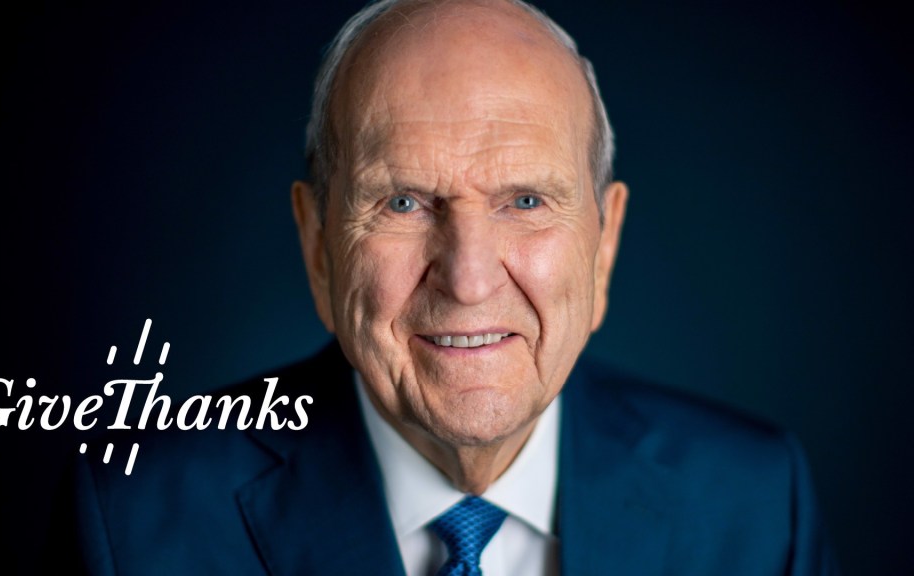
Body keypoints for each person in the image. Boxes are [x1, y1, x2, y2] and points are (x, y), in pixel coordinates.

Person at [50, 0, 839, 574]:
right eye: (403, 203)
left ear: (604, 247)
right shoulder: (131, 522)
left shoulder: (756, 504)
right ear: (318, 247)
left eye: (525, 201)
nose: (467, 279)